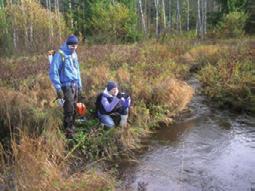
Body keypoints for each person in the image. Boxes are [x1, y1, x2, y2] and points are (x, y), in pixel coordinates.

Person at [49, 34, 82, 138]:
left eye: (76, 46)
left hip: (75, 85)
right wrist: (58, 88)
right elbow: (53, 72)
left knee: (75, 107)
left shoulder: (74, 54)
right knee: (69, 109)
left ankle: (71, 126)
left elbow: (77, 71)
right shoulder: (60, 54)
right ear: (67, 45)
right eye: (72, 46)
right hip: (66, 86)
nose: (74, 48)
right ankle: (68, 132)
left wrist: (80, 86)